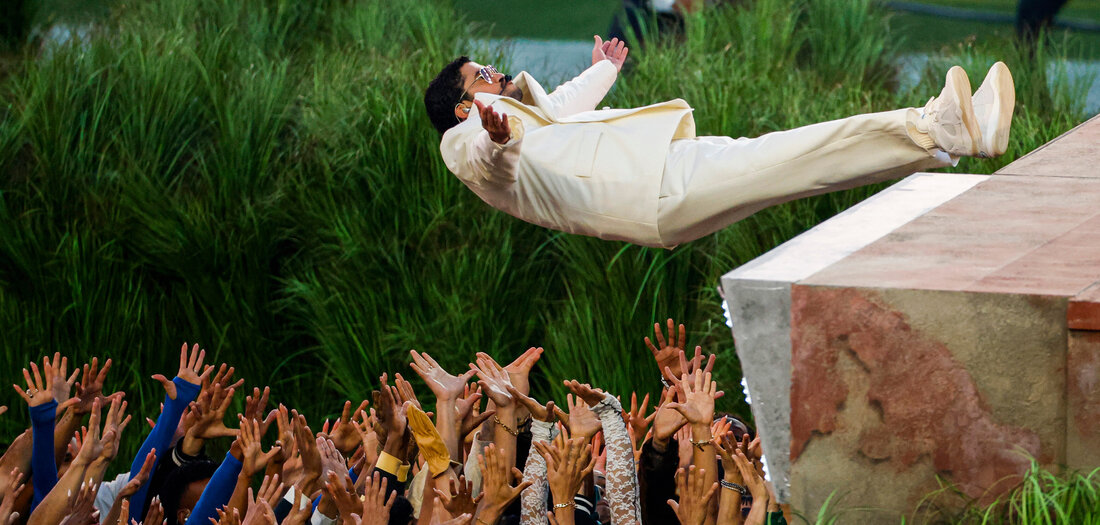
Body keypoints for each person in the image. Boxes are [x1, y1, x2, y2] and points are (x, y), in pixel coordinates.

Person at [423, 37, 1015, 249]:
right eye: (481, 76)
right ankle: (939, 127)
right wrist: (497, 138)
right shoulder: (466, 142)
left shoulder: (515, 115)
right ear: (462, 106)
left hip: (659, 176)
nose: (495, 73)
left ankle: (948, 134)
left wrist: (603, 69)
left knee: (799, 162)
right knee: (795, 154)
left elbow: (562, 106)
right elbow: (488, 161)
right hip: (650, 191)